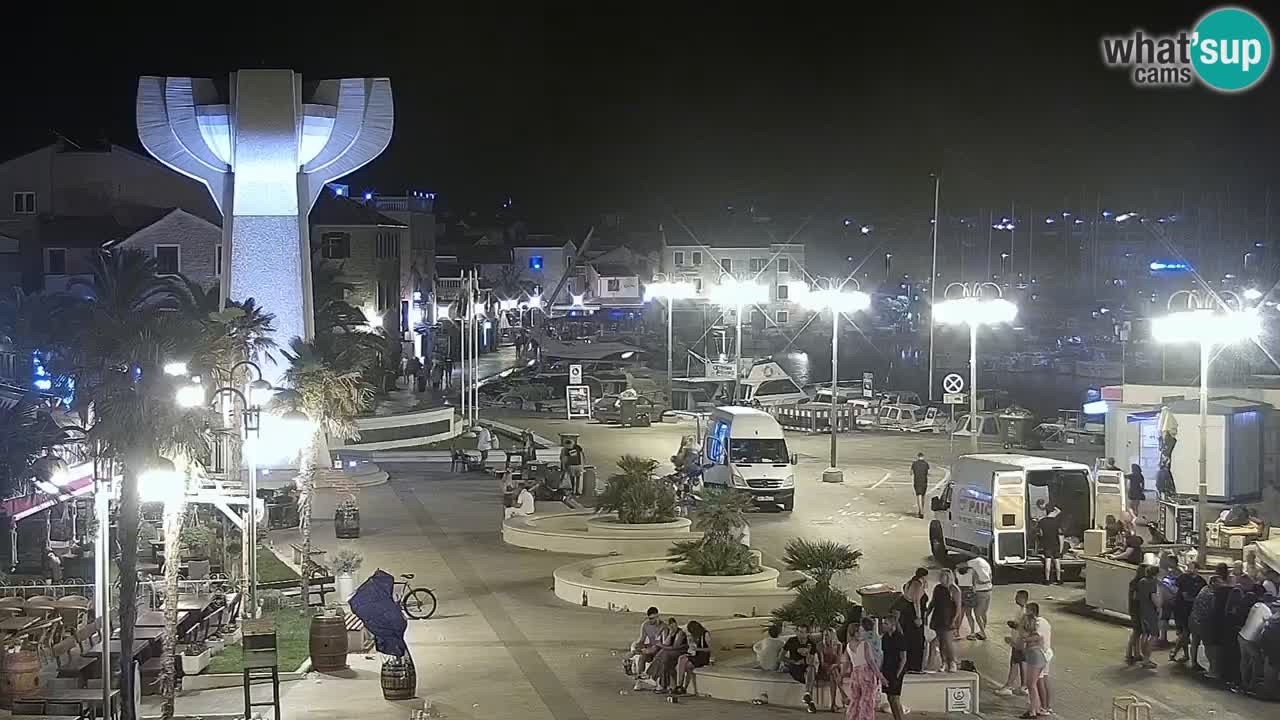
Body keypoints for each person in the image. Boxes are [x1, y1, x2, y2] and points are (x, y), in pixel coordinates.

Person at [844, 618, 883, 720]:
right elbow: (871, 662)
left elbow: (846, 662)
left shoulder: (848, 646)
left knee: (855, 700)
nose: (862, 633)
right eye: (860, 631)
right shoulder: (865, 644)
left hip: (855, 674)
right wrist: (880, 676)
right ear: (856, 633)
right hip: (866, 673)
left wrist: (842, 674)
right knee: (867, 700)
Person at [995, 589, 1030, 697]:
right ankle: (1024, 686)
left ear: (1023, 598)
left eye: (1017, 597)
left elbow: (1024, 627)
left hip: (1019, 641)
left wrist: (1013, 625)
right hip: (1021, 641)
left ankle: (1009, 686)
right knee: (1022, 663)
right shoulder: (1022, 610)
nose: (1015, 598)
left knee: (1014, 663)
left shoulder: (1023, 612)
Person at [1171, 561, 1206, 663]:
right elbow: (1181, 593)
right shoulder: (1183, 578)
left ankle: (1178, 652)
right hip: (1181, 609)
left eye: (1192, 567)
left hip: (1191, 610)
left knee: (1185, 633)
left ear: (1196, 569)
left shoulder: (1200, 581)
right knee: (1184, 632)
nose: (1189, 569)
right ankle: (1182, 653)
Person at [1239, 592, 1273, 694]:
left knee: (1245, 661)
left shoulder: (1257, 605)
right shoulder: (1266, 611)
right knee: (1257, 662)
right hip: (1250, 640)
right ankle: (1252, 686)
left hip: (1241, 635)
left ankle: (1244, 683)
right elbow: (1270, 625)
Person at [1014, 614, 1047, 719]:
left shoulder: (1027, 637)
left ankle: (1032, 711)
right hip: (1038, 659)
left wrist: (1013, 642)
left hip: (1035, 659)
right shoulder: (1034, 634)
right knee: (1032, 685)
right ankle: (1035, 708)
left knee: (1031, 685)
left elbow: (1022, 649)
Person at [1190, 575, 1223, 674]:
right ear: (1213, 583)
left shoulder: (1204, 588)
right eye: (1219, 582)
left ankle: (1194, 663)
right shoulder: (1211, 595)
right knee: (1208, 644)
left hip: (1193, 618)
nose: (1221, 584)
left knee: (1195, 642)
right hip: (1202, 621)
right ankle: (1212, 669)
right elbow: (1213, 610)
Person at [929, 569, 960, 672]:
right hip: (938, 617)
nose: (941, 579)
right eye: (941, 576)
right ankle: (943, 662)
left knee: (948, 641)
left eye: (943, 577)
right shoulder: (938, 588)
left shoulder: (954, 590)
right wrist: (927, 612)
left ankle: (952, 662)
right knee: (941, 642)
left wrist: (954, 620)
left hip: (948, 618)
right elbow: (933, 602)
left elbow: (958, 607)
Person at [898, 568, 929, 672]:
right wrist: (918, 617)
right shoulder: (917, 585)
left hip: (906, 614)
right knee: (916, 641)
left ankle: (908, 665)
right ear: (924, 576)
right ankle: (914, 666)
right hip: (912, 615)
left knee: (909, 639)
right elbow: (916, 602)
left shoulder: (910, 583)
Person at [648, 618, 689, 693]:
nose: (672, 627)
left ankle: (651, 675)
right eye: (670, 626)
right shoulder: (671, 632)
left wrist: (662, 646)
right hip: (671, 653)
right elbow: (667, 644)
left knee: (664, 653)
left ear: (676, 624)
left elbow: (675, 647)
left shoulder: (680, 633)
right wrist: (670, 634)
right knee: (664, 661)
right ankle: (661, 684)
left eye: (673, 625)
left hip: (680, 652)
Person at [880, 611, 908, 720]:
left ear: (893, 625)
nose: (883, 625)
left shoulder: (900, 638)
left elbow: (903, 658)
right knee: (889, 697)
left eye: (886, 624)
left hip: (897, 669)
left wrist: (898, 673)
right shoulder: (885, 637)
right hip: (887, 668)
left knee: (895, 697)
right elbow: (884, 655)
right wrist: (881, 669)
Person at [1026, 602, 1053, 715]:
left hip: (1041, 655)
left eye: (1026, 611)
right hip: (1044, 653)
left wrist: (1023, 639)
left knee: (1037, 682)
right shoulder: (1043, 621)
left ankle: (1041, 707)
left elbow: (1037, 637)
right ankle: (1045, 706)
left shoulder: (1039, 623)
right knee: (1043, 680)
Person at [782, 635, 820, 712]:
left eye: (803, 633)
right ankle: (810, 701)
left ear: (807, 634)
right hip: (795, 668)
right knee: (809, 676)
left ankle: (808, 695)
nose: (801, 635)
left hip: (806, 668)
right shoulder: (791, 641)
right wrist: (794, 662)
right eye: (799, 632)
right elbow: (781, 657)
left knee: (811, 669)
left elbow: (810, 661)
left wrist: (807, 653)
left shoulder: (811, 644)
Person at [629, 607, 665, 689]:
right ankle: (639, 681)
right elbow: (642, 639)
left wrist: (651, 650)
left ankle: (658, 683)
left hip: (659, 648)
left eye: (653, 618)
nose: (651, 620)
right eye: (649, 618)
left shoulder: (663, 626)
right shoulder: (645, 625)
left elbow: (659, 643)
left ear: (657, 616)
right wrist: (636, 646)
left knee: (658, 658)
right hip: (650, 647)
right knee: (642, 657)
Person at [674, 620, 711, 695]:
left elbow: (710, 649)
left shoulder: (705, 634)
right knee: (682, 659)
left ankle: (680, 686)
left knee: (685, 666)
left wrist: (697, 649)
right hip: (695, 655)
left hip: (702, 657)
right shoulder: (694, 636)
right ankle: (680, 686)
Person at [1135, 564, 1161, 669]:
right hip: (1151, 612)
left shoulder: (1141, 581)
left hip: (1142, 610)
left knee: (1145, 634)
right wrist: (1160, 604)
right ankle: (1146, 659)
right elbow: (1155, 599)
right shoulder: (1153, 583)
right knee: (1154, 635)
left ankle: (1144, 656)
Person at [817, 628, 848, 712]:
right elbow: (822, 662)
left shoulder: (839, 645)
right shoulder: (820, 645)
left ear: (833, 636)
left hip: (835, 668)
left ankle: (833, 704)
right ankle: (843, 694)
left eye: (827, 635)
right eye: (824, 635)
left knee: (833, 674)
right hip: (824, 669)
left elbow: (838, 662)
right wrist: (830, 667)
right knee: (833, 673)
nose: (825, 637)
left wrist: (832, 667)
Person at [966, 555, 993, 640]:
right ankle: (982, 630)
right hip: (989, 590)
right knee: (983, 613)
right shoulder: (986, 563)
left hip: (980, 591)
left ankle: (983, 633)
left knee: (977, 613)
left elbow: (961, 565)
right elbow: (990, 576)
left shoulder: (975, 562)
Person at [1038, 504, 1064, 585]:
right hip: (1055, 544)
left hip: (1047, 544)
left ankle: (1047, 580)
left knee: (1048, 561)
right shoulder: (1057, 522)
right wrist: (1061, 548)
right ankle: (1059, 579)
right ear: (1053, 511)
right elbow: (1061, 536)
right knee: (1057, 562)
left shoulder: (1042, 521)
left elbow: (1040, 533)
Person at [911, 453, 930, 518]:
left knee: (918, 495)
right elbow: (927, 473)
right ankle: (922, 510)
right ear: (923, 457)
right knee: (923, 496)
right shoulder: (926, 464)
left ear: (918, 457)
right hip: (924, 481)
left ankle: (920, 510)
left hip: (917, 481)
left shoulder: (914, 464)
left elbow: (911, 473)